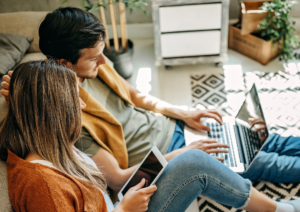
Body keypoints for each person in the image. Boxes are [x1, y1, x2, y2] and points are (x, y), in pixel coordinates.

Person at [2, 60, 300, 212]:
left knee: (193, 161)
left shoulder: (45, 140)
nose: (81, 107)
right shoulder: (40, 183)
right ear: (52, 114)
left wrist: (18, 93)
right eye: (73, 102)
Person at [0, 7, 229, 192]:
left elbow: (133, 95)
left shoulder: (95, 64)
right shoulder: (67, 113)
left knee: (239, 135)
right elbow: (118, 180)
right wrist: (182, 155)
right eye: (93, 58)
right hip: (165, 157)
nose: (103, 62)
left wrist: (183, 113)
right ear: (64, 63)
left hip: (171, 126)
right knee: (254, 165)